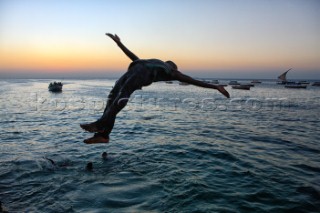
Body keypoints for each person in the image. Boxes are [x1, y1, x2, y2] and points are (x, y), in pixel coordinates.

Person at [81, 33, 230, 144]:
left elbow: (192, 80)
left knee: (122, 95)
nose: (168, 62)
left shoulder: (173, 72)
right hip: (132, 71)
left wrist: (215, 87)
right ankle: (103, 134)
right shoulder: (153, 62)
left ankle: (101, 125)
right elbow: (133, 56)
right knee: (112, 97)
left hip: (142, 75)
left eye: (170, 63)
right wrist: (119, 43)